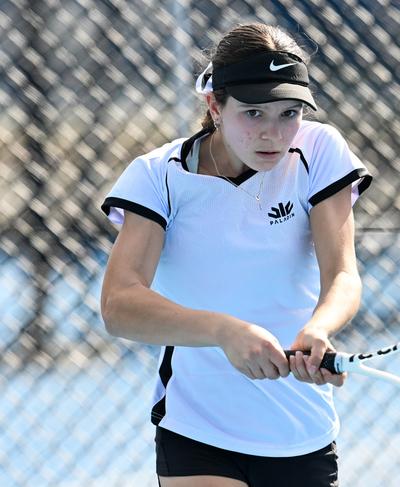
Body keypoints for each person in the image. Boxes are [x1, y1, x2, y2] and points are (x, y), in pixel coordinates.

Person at [100, 22, 371, 487]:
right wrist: (224, 331)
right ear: (215, 105)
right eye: (253, 114)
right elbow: (118, 305)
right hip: (197, 427)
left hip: (300, 431)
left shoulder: (320, 151)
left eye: (290, 113)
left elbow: (343, 273)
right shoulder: (157, 176)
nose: (273, 133)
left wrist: (319, 327)